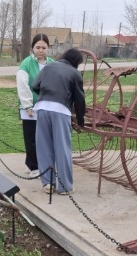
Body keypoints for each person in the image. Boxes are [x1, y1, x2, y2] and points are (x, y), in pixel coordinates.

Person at [32, 47, 86, 195]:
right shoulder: (75, 73)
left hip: (42, 108)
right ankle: (65, 187)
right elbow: (80, 100)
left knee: (44, 147)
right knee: (62, 149)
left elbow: (35, 85)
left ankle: (48, 184)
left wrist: (45, 94)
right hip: (61, 110)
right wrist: (80, 120)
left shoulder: (48, 66)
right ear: (76, 61)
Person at [17, 33, 54, 177]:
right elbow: (22, 85)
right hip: (31, 107)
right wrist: (27, 105)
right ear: (33, 48)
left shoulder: (51, 63)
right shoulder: (26, 63)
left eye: (43, 47)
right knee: (31, 137)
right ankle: (33, 166)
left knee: (44, 137)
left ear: (48, 48)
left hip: (46, 105)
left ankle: (40, 164)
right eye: (37, 47)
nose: (40, 50)